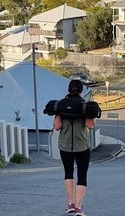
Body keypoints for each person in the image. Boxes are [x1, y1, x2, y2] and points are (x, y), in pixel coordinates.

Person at [53, 79, 96, 216]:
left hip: (65, 145)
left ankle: (70, 203)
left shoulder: (61, 106)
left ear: (69, 89)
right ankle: (78, 208)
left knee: (68, 172)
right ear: (81, 90)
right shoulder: (85, 106)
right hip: (82, 145)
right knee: (82, 175)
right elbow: (90, 125)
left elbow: (57, 126)